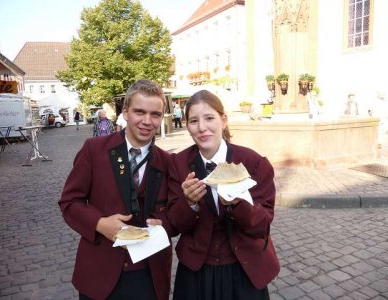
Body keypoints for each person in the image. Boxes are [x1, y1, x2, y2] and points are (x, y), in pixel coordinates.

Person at [59, 79, 176, 300]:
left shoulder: (169, 162)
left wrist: (173, 217)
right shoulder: (94, 150)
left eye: (155, 114)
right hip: (99, 273)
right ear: (125, 112)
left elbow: (177, 215)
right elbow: (69, 202)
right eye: (139, 112)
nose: (147, 121)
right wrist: (99, 224)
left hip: (149, 274)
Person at [167, 90, 280, 300]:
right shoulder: (178, 164)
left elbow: (262, 225)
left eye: (209, 118)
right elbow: (174, 224)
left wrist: (238, 205)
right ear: (187, 126)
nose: (202, 127)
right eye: (193, 121)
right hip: (196, 272)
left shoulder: (253, 163)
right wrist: (189, 203)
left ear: (224, 120)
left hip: (244, 269)